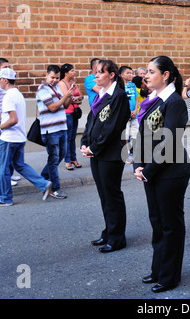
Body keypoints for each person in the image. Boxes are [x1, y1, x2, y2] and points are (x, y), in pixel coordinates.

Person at [133, 56, 190, 293]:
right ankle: (158, 269)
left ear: (166, 75)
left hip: (171, 173)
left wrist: (148, 170)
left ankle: (170, 276)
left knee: (170, 225)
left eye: (150, 72)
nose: (145, 75)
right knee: (157, 224)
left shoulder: (174, 102)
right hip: (151, 170)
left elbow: (169, 140)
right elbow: (143, 135)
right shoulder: (152, 100)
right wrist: (138, 165)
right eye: (145, 72)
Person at [81, 60, 130, 253]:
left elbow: (113, 127)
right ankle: (109, 230)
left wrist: (94, 148)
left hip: (110, 154)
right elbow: (90, 122)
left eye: (100, 72)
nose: (96, 76)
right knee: (104, 195)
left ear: (111, 75)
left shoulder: (118, 97)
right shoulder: (101, 95)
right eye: (95, 72)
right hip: (96, 153)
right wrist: (85, 142)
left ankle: (118, 237)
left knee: (112, 195)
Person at [0, 68, 52, 207]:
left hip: (8, 139)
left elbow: (13, 119)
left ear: (5, 80)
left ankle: (5, 198)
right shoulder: (18, 94)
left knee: (3, 169)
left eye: (0, 79)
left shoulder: (8, 97)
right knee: (19, 165)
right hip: (19, 138)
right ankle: (44, 183)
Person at [36, 65, 75, 199]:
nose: (54, 80)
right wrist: (66, 96)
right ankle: (55, 188)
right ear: (46, 75)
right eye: (52, 77)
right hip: (50, 130)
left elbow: (65, 105)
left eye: (57, 78)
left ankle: (42, 179)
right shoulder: (42, 89)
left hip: (62, 127)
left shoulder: (57, 87)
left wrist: (70, 95)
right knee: (53, 159)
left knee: (61, 156)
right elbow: (52, 107)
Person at [0, 58, 21, 186]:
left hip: (8, 120)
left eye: (8, 66)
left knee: (9, 149)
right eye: (5, 67)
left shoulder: (6, 82)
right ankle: (3, 177)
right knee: (0, 151)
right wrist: (2, 118)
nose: (8, 69)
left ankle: (9, 175)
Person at [59, 63, 84, 170]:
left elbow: (81, 96)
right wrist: (76, 99)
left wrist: (76, 98)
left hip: (75, 111)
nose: (74, 73)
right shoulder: (62, 83)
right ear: (66, 73)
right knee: (67, 137)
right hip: (67, 112)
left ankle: (74, 159)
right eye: (72, 71)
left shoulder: (73, 83)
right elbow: (67, 96)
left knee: (73, 136)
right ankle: (67, 160)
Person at [120, 66, 139, 164]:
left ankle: (135, 153)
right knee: (126, 135)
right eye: (128, 73)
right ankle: (127, 154)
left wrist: (135, 110)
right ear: (122, 75)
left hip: (134, 115)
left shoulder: (133, 85)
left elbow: (136, 98)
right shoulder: (120, 86)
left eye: (131, 73)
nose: (130, 75)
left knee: (135, 134)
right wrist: (127, 112)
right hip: (125, 116)